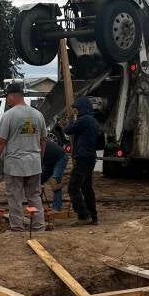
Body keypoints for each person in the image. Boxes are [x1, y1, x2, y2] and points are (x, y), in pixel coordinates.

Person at [0, 81, 47, 232]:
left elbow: (1, 141)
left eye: (7, 97)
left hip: (15, 165)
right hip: (34, 163)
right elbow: (43, 141)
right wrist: (40, 159)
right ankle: (39, 226)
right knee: (34, 196)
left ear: (12, 96)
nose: (6, 100)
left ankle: (17, 228)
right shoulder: (38, 115)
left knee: (15, 198)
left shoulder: (9, 116)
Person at [65, 95, 101, 226]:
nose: (76, 112)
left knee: (73, 187)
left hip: (83, 158)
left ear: (82, 108)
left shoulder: (84, 120)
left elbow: (68, 130)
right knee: (86, 188)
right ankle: (93, 216)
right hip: (90, 157)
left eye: (77, 109)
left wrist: (68, 122)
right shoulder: (93, 121)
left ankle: (83, 215)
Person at [40, 136, 69, 213]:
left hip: (60, 158)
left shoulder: (37, 143)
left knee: (55, 182)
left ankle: (56, 208)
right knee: (38, 181)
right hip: (49, 161)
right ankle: (37, 207)